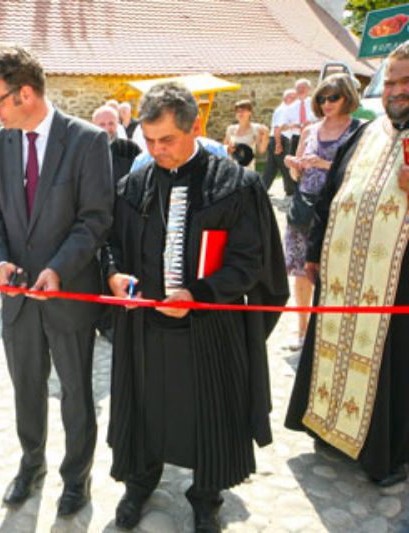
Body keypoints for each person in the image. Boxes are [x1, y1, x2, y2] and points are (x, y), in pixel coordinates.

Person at [103, 82, 288, 531]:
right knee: (144, 410)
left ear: (196, 127)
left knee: (209, 415)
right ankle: (140, 480)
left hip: (207, 330)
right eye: (148, 140)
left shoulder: (236, 186)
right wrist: (114, 274)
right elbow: (110, 245)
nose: (156, 150)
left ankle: (206, 495)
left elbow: (250, 262)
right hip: (144, 331)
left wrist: (199, 295)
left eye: (167, 140)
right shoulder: (133, 184)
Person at [0, 44, 113, 517]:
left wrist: (58, 267)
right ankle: (31, 463)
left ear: (27, 93)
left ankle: (77, 478)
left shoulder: (88, 141)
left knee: (76, 393)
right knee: (25, 388)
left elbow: (95, 219)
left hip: (69, 293)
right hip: (17, 301)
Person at [285, 42, 409, 488]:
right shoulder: (365, 133)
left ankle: (384, 451)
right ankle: (330, 430)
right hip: (342, 281)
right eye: (390, 80)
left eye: (404, 81)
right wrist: (316, 251)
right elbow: (331, 195)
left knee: (389, 365)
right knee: (332, 354)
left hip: (397, 290)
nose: (395, 90)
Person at [283, 74, 360, 350]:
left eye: (333, 98)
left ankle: (331, 330)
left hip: (339, 208)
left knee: (336, 271)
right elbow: (295, 176)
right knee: (302, 271)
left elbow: (359, 171)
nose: (327, 103)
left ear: (347, 98)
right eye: (322, 99)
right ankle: (301, 329)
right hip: (306, 209)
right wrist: (295, 164)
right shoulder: (309, 131)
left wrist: (324, 164)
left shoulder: (358, 130)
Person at [92, 105, 142, 183]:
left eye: (111, 123)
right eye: (102, 124)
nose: (107, 128)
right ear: (93, 125)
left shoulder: (130, 149)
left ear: (117, 124)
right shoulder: (86, 150)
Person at [262, 89, 298, 192]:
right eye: (293, 97)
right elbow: (277, 128)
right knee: (286, 166)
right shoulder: (284, 109)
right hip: (279, 139)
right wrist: (278, 144)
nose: (295, 100)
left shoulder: (283, 109)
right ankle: (291, 190)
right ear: (286, 98)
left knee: (271, 168)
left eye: (296, 97)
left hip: (277, 139)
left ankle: (262, 189)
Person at [224, 100, 268, 170]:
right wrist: (228, 148)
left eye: (243, 111)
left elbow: (261, 150)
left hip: (247, 167)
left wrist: (266, 135)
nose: (240, 113)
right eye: (238, 111)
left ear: (250, 112)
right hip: (232, 167)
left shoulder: (255, 128)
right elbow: (224, 148)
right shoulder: (231, 128)